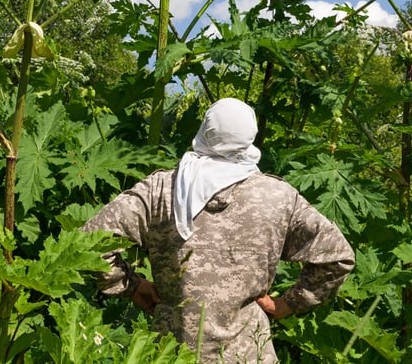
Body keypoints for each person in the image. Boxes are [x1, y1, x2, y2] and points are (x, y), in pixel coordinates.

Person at [82, 97, 355, 363]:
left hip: (172, 353)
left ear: (205, 130)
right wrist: (289, 303)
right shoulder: (278, 197)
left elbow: (88, 242)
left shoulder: (160, 190)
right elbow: (337, 256)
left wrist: (129, 285)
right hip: (250, 354)